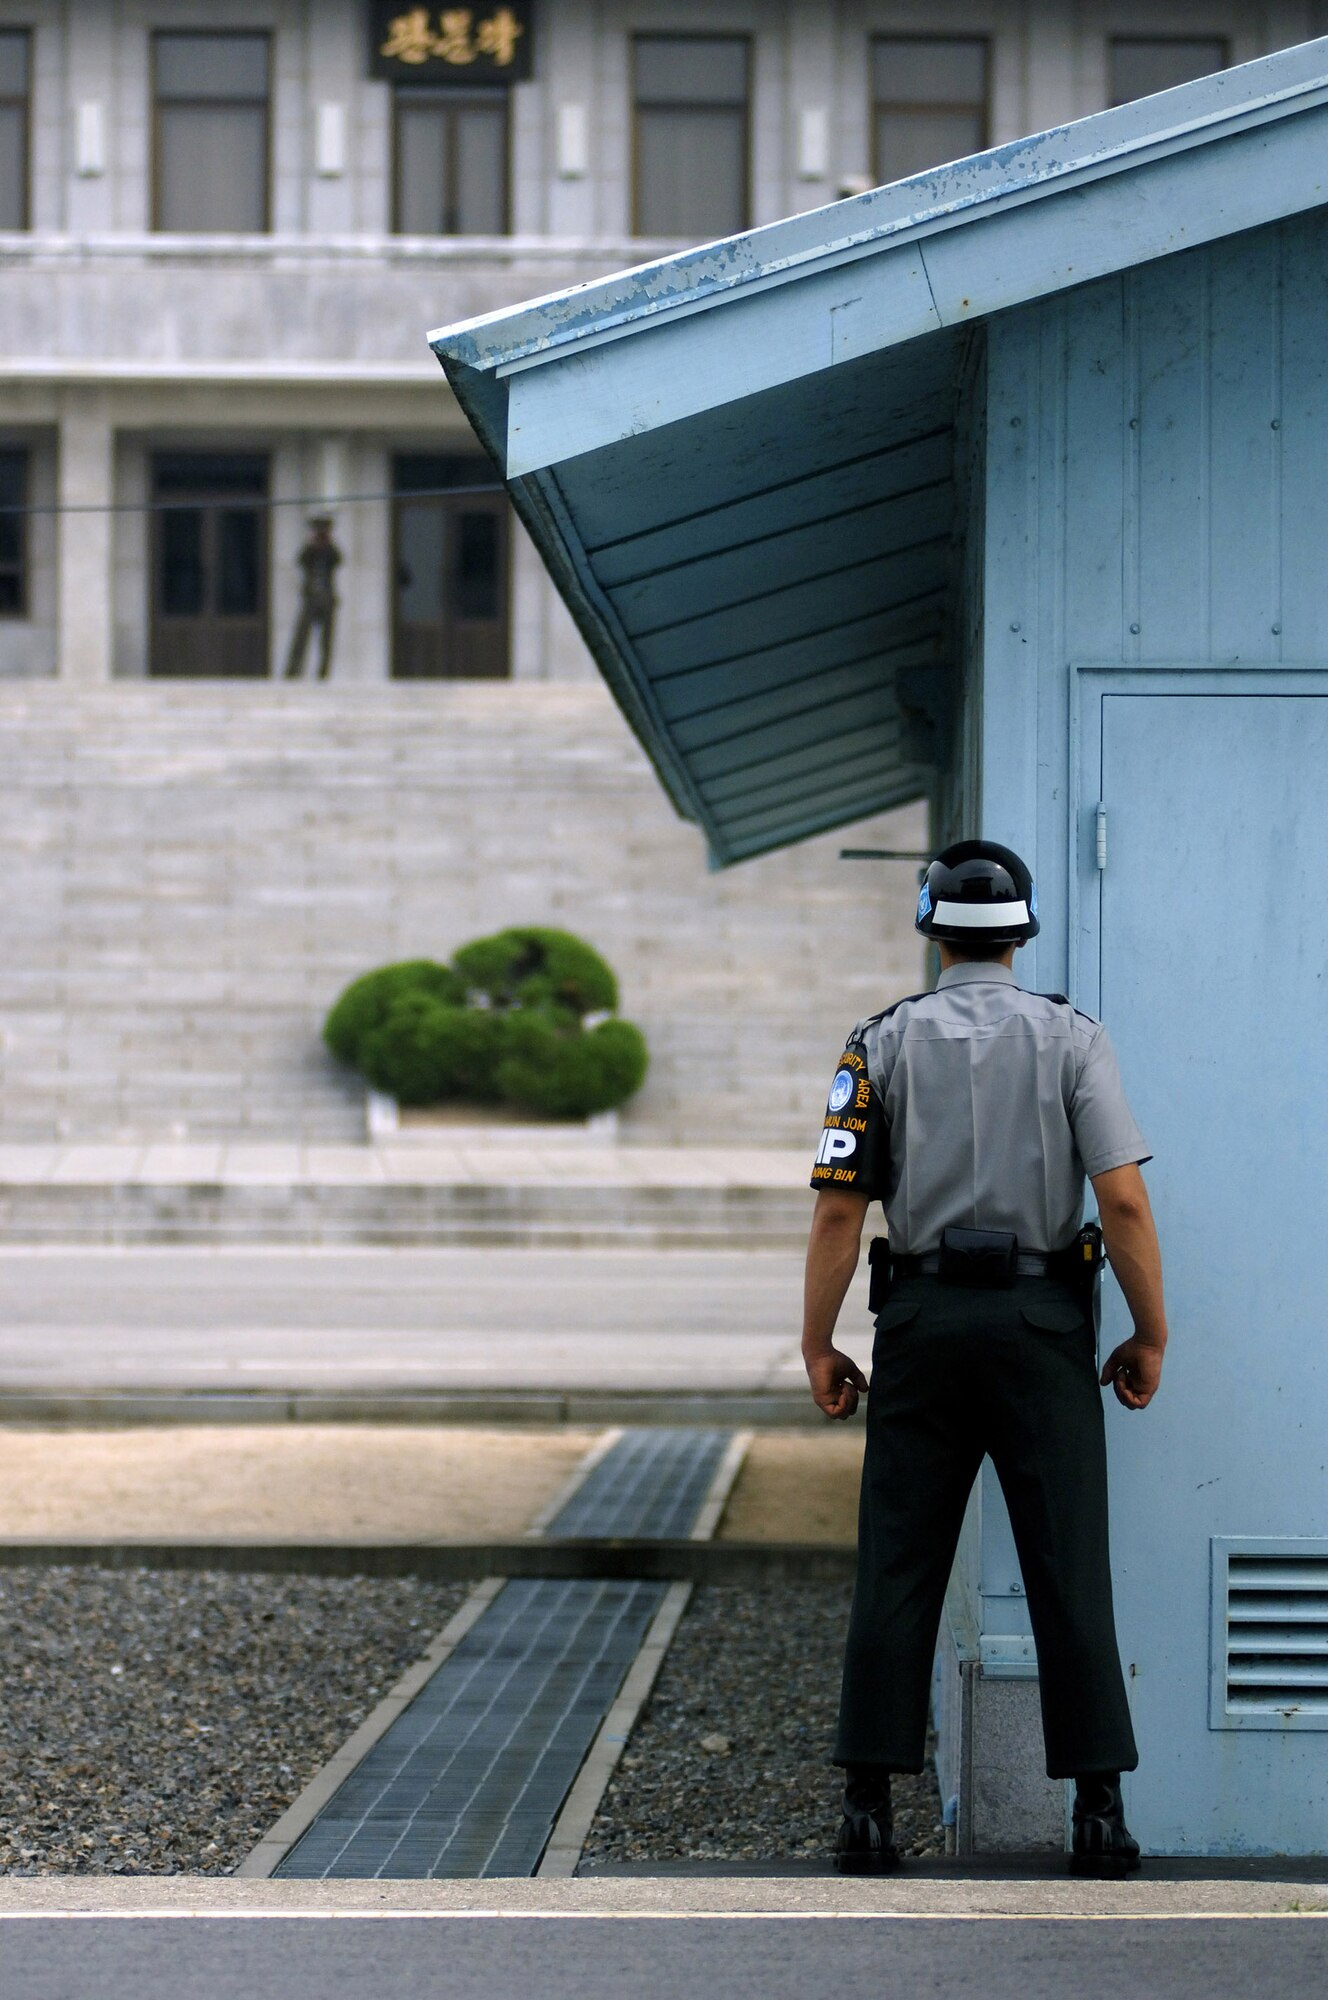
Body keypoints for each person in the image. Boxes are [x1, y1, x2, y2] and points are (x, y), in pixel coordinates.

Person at [802, 839, 1168, 1878]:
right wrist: (1147, 1330)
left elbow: (839, 1205)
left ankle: (866, 1808)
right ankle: (1096, 1811)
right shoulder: (1072, 1040)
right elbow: (1123, 1198)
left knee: (898, 1557)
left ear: (929, 924)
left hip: (918, 1322)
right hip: (1041, 1323)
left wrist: (816, 1338)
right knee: (1066, 1564)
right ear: (1023, 927)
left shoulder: (874, 1043)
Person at [283, 516, 342, 680]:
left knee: (326, 640)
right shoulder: (309, 551)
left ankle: (323, 673)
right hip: (310, 599)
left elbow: (338, 560)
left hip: (327, 599)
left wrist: (328, 543)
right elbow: (301, 560)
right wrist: (312, 544)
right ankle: (293, 671)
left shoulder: (331, 552)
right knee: (301, 637)